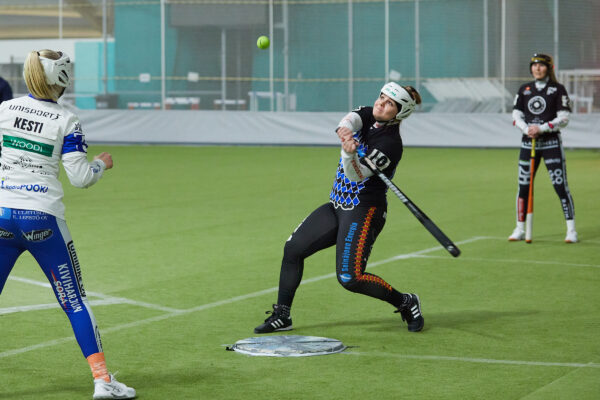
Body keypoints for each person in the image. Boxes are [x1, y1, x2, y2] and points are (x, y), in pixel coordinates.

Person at [0, 50, 136, 399]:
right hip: (42, 220)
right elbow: (80, 178)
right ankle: (103, 381)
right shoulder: (66, 119)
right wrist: (101, 164)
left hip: (2, 216)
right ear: (61, 79)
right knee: (75, 302)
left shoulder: (4, 109)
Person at [254, 82, 425, 334]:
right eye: (381, 97)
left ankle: (406, 302)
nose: (380, 103)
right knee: (293, 249)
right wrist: (344, 130)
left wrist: (348, 154)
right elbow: (350, 119)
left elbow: (356, 175)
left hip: (364, 211)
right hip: (337, 204)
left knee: (350, 278)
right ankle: (282, 315)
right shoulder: (370, 114)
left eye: (390, 103)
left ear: (399, 113)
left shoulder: (390, 144)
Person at [509, 53, 577, 243]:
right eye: (534, 65)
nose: (537, 68)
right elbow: (516, 115)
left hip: (551, 143)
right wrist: (527, 129)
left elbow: (564, 118)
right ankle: (519, 228)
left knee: (560, 186)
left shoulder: (558, 89)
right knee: (523, 186)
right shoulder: (524, 89)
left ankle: (571, 230)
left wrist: (542, 128)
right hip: (528, 143)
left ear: (549, 68)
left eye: (541, 65)